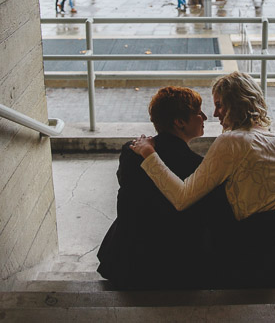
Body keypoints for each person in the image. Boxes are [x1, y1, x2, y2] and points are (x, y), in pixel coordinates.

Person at [130, 72, 275, 288]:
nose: (214, 113)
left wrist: (149, 155)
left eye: (219, 105)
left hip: (240, 250)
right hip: (273, 244)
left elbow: (182, 198)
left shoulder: (230, 141)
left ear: (235, 102)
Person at [97, 87, 231, 289]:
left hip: (128, 261)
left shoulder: (130, 150)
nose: (205, 116)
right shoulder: (198, 167)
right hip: (176, 266)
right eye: (198, 113)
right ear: (179, 122)